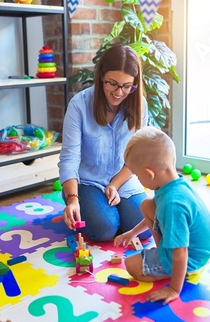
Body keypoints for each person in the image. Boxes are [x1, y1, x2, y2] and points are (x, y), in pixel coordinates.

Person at [58, 44, 151, 242]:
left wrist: (115, 185)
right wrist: (73, 199)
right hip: (87, 181)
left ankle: (109, 210)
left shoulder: (139, 104)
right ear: (101, 76)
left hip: (123, 179)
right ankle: (91, 207)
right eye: (113, 84)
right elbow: (69, 158)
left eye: (127, 86)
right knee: (104, 229)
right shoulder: (79, 105)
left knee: (146, 228)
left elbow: (136, 157)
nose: (119, 92)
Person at [114, 126, 210, 304]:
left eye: (137, 175)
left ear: (148, 173)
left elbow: (180, 251)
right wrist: (132, 233)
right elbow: (154, 210)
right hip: (196, 249)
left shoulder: (173, 204)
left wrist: (174, 288)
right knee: (146, 205)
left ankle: (172, 271)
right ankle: (163, 254)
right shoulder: (173, 184)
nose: (137, 179)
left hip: (190, 257)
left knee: (131, 265)